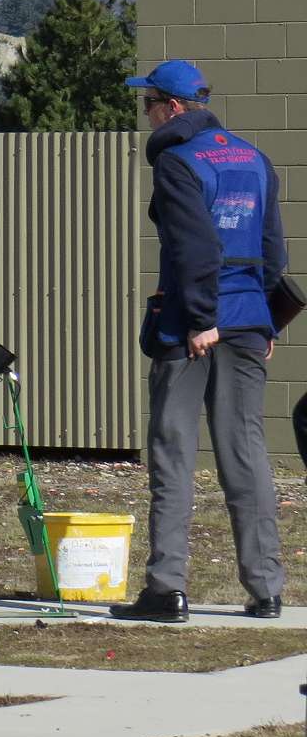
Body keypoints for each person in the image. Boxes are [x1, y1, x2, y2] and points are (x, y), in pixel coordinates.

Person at [113, 60, 286, 622]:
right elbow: (273, 251)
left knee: (173, 451)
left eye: (149, 105)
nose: (146, 115)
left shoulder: (177, 161)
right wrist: (263, 320)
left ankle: (167, 589)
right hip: (248, 322)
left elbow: (195, 248)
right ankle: (266, 589)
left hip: (191, 325)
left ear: (173, 107)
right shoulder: (255, 159)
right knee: (245, 452)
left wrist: (200, 319)